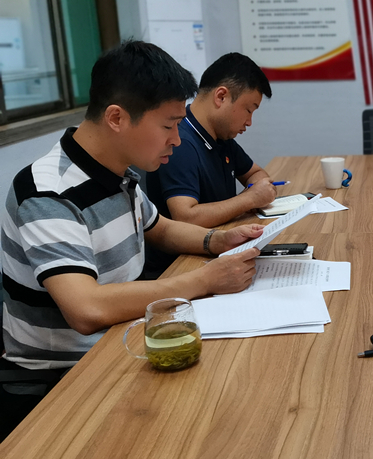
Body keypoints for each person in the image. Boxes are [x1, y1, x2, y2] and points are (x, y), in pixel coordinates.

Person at [1, 41, 263, 374]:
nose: (177, 139)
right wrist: (205, 280)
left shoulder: (118, 174)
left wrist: (217, 240)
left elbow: (161, 229)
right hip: (65, 375)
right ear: (116, 118)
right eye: (168, 126)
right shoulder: (47, 193)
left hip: (127, 340)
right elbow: (87, 309)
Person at [145, 52, 277, 277]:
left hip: (220, 249)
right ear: (221, 97)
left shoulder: (220, 136)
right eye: (248, 110)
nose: (249, 122)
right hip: (181, 267)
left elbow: (256, 173)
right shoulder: (179, 142)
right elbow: (186, 217)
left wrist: (256, 191)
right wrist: (250, 199)